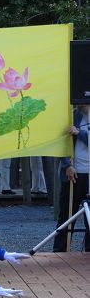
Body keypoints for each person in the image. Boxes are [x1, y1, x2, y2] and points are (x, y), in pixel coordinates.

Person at [53, 105, 90, 252]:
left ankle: (88, 253)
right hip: (74, 173)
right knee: (66, 216)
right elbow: (62, 141)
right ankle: (59, 251)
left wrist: (79, 133)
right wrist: (67, 165)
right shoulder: (72, 115)